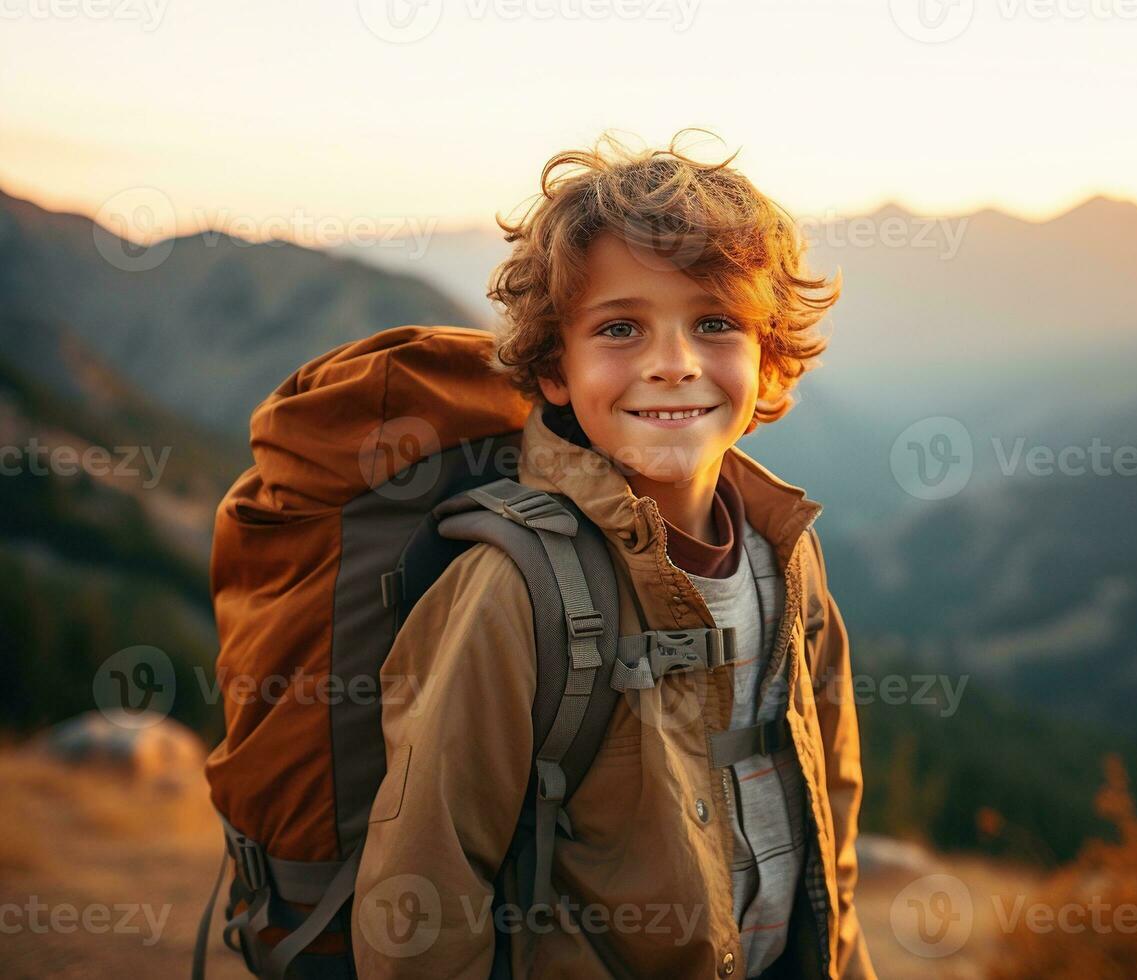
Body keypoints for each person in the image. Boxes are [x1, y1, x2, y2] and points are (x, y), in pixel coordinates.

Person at [351, 129, 875, 979]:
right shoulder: (513, 587)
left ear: (770, 361)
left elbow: (829, 799)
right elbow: (425, 880)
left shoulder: (786, 556)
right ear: (556, 368)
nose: (672, 365)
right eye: (621, 328)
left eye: (714, 324)